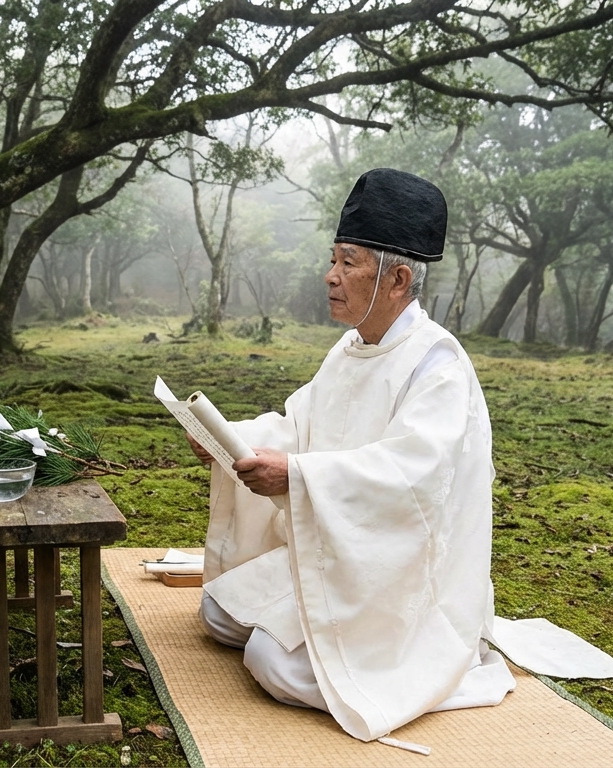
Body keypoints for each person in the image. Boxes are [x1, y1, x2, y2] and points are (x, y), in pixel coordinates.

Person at [187, 168, 518, 742]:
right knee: (218, 612)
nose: (330, 277)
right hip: (346, 555)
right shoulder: (352, 347)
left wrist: (295, 477)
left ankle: (435, 665)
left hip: (403, 577)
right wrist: (227, 438)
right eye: (333, 259)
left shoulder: (436, 365)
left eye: (348, 262)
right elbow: (302, 425)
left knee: (270, 661)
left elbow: (411, 481)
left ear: (398, 279)